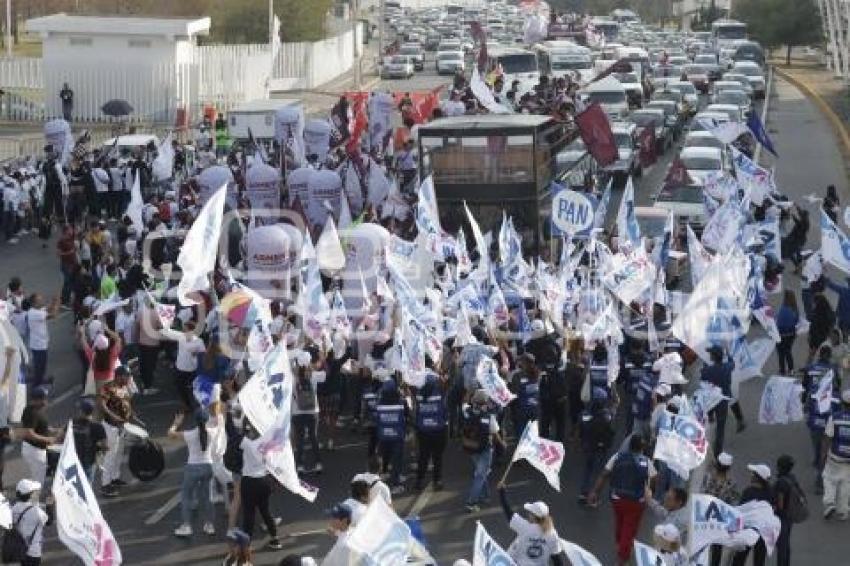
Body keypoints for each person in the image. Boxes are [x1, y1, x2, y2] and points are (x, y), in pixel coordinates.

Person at [588, 433, 655, 566]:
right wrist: (650, 490)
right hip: (636, 502)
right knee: (629, 528)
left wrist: (595, 492)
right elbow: (654, 478)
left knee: (620, 522)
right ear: (642, 448)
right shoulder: (646, 462)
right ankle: (622, 557)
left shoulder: (617, 457)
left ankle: (620, 544)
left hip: (617, 498)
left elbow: (604, 474)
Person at [170, 407, 220, 537]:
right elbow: (220, 421)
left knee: (186, 496)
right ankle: (210, 525)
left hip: (192, 468)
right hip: (208, 467)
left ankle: (186, 526)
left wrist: (176, 422)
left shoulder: (190, 434)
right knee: (207, 497)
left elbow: (170, 433)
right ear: (207, 419)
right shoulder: (213, 432)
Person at [495, 483, 565, 566]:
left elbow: (508, 512)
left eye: (530, 513)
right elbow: (557, 560)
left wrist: (502, 492)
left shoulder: (525, 527)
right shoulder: (552, 534)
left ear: (534, 516)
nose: (528, 514)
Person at [240, 421, 283, 549]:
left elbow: (233, 434)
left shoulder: (247, 443)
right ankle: (275, 539)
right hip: (265, 481)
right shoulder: (269, 445)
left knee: (249, 514)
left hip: (249, 481)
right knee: (265, 511)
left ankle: (246, 546)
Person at [463, 389, 504, 513]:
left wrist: (470, 391)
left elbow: (464, 401)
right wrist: (502, 443)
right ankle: (471, 503)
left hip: (470, 447)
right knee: (480, 475)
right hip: (485, 449)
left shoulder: (466, 411)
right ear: (486, 401)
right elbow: (495, 433)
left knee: (481, 471)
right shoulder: (489, 416)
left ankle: (485, 495)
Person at [97, 365, 133, 497]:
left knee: (119, 453)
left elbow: (126, 403)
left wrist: (131, 415)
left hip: (122, 426)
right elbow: (101, 405)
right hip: (110, 427)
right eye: (127, 376)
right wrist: (114, 416)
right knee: (110, 455)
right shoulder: (108, 387)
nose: (129, 379)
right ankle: (105, 484)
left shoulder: (123, 387)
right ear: (119, 376)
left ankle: (115, 477)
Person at [701, 452, 741, 566]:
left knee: (703, 545)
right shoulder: (731, 483)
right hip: (721, 519)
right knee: (717, 547)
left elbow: (701, 494)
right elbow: (733, 503)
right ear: (729, 468)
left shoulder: (708, 477)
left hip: (705, 516)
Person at [731, 464, 774, 566]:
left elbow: (740, 512)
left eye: (753, 474)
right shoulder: (771, 493)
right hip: (764, 531)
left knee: (739, 559)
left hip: (748, 530)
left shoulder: (749, 492)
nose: (751, 475)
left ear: (757, 478)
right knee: (759, 560)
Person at [413, 373, 448, 491]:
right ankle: (437, 481)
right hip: (438, 430)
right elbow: (444, 410)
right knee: (437, 457)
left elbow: (417, 411)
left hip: (423, 430)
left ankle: (419, 481)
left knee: (423, 457)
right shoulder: (439, 394)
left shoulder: (419, 395)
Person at [20, 387, 61, 486]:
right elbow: (29, 433)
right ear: (37, 400)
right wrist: (48, 439)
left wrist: (54, 430)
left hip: (35, 450)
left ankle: (31, 497)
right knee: (38, 482)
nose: (46, 400)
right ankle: (34, 500)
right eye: (44, 398)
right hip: (35, 451)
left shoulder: (37, 409)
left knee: (36, 476)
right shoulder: (32, 413)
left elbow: (42, 426)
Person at [292, 351, 325, 474]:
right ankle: (318, 463)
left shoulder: (293, 378)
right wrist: (321, 360)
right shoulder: (314, 375)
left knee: (299, 439)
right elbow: (325, 374)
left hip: (297, 411)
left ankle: (300, 465)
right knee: (313, 437)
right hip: (313, 411)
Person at [577, 399, 614, 505]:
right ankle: (593, 498)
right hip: (600, 450)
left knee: (587, 471)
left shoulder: (585, 417)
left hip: (588, 448)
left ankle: (583, 494)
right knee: (598, 474)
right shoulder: (604, 419)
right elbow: (610, 432)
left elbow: (580, 430)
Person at [821, 389, 850, 520]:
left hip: (834, 458)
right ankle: (843, 511)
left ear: (843, 403)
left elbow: (828, 437)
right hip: (848, 461)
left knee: (829, 479)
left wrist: (823, 455)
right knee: (845, 484)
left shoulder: (835, 417)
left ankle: (829, 504)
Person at [701, 345, 734, 456]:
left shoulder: (707, 370)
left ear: (713, 356)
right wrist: (728, 353)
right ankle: (718, 452)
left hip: (711, 400)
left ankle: (710, 415)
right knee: (720, 427)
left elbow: (703, 377)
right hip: (723, 400)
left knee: (707, 416)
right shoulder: (727, 368)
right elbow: (732, 363)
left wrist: (705, 364)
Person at [375, 378, 407, 494]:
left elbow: (377, 418)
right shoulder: (401, 403)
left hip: (383, 435)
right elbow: (406, 416)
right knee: (396, 460)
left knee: (385, 456)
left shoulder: (379, 404)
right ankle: (396, 484)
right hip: (397, 436)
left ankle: (383, 474)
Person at [11, 479, 49, 566]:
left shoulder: (14, 508)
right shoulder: (37, 511)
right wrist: (50, 505)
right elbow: (48, 522)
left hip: (20, 549)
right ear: (30, 495)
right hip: (34, 551)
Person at [25, 294, 59, 391]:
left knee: (41, 365)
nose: (42, 301)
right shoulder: (35, 313)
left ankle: (39, 380)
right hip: (38, 345)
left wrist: (53, 302)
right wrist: (56, 303)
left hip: (41, 343)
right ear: (34, 303)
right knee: (40, 366)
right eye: (39, 300)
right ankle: (36, 387)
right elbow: (53, 315)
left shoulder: (37, 310)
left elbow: (47, 308)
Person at [71, 399, 107, 483]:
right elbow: (105, 446)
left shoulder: (73, 423)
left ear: (81, 411)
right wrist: (99, 451)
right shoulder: (98, 426)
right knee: (87, 486)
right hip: (89, 462)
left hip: (73, 461)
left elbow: (61, 436)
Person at [773, 454, 800, 566]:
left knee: (781, 546)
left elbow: (780, 503)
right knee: (786, 544)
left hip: (782, 517)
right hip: (790, 516)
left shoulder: (781, 483)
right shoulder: (792, 478)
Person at [775, 290, 799, 374]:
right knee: (788, 351)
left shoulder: (782, 308)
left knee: (781, 353)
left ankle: (782, 370)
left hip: (780, 334)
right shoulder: (795, 309)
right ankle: (791, 369)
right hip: (791, 334)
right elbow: (796, 321)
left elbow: (777, 321)